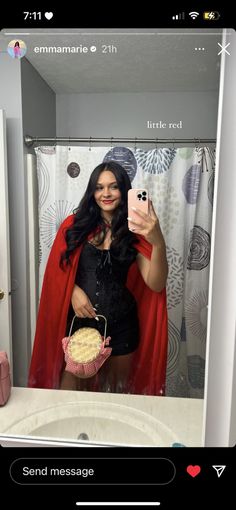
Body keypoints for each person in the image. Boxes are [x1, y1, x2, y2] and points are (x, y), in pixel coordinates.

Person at [28, 161, 168, 395]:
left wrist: (158, 241)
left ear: (123, 191)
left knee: (116, 396)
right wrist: (72, 291)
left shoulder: (136, 231)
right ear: (92, 191)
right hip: (80, 324)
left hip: (122, 327)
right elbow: (56, 273)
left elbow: (155, 283)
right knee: (70, 395)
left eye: (113, 187)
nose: (106, 193)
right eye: (99, 187)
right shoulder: (74, 226)